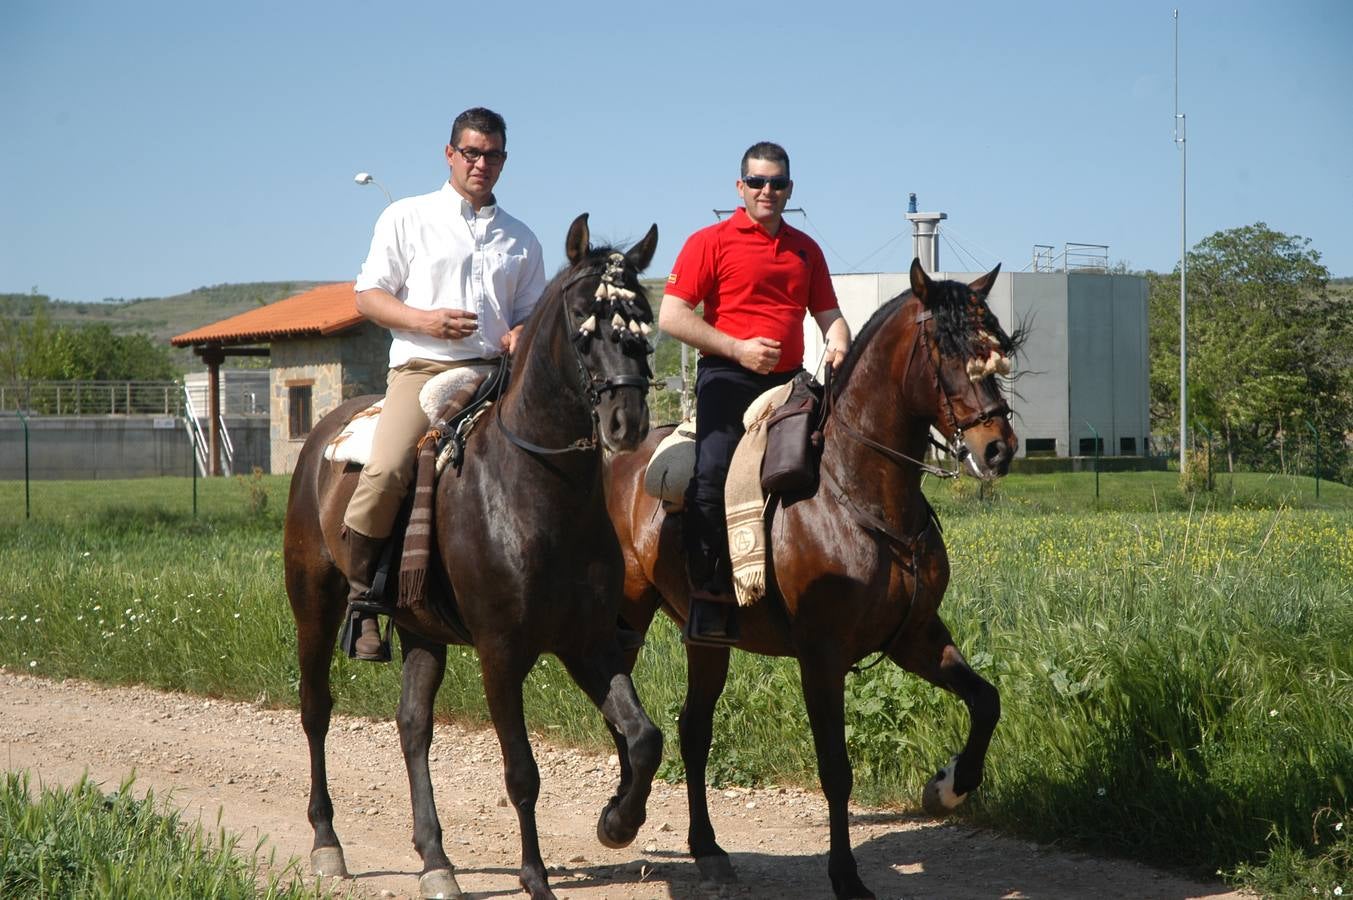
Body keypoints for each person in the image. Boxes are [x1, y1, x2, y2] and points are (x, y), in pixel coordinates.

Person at [342, 106, 546, 661]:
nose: (483, 163)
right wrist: (425, 321)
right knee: (385, 470)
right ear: (450, 154)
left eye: (494, 154)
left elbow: (530, 313)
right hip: (424, 367)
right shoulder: (407, 217)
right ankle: (363, 601)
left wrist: (518, 334)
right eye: (472, 152)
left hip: (496, 374)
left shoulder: (522, 238)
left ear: (505, 159)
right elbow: (368, 296)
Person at [660, 141, 851, 646]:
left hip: (790, 383)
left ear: (790, 189)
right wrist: (738, 349)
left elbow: (829, 316)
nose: (768, 191)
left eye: (778, 183)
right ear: (740, 187)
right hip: (726, 377)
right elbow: (672, 315)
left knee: (828, 467)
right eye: (758, 182)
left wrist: (837, 342)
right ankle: (710, 598)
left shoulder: (806, 249)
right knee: (712, 473)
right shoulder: (710, 241)